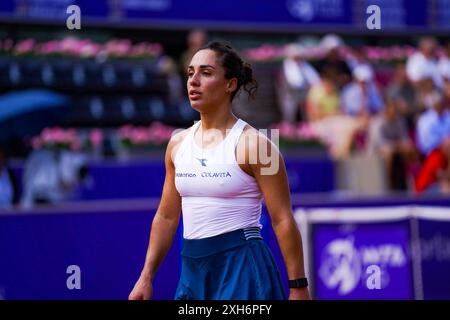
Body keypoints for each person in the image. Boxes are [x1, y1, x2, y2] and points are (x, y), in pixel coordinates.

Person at [129, 41, 310, 300]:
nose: (193, 81)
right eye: (190, 73)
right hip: (193, 272)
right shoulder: (177, 143)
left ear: (230, 84)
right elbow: (167, 217)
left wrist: (298, 286)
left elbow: (282, 218)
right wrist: (145, 278)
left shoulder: (259, 144)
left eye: (206, 72)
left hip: (243, 269)